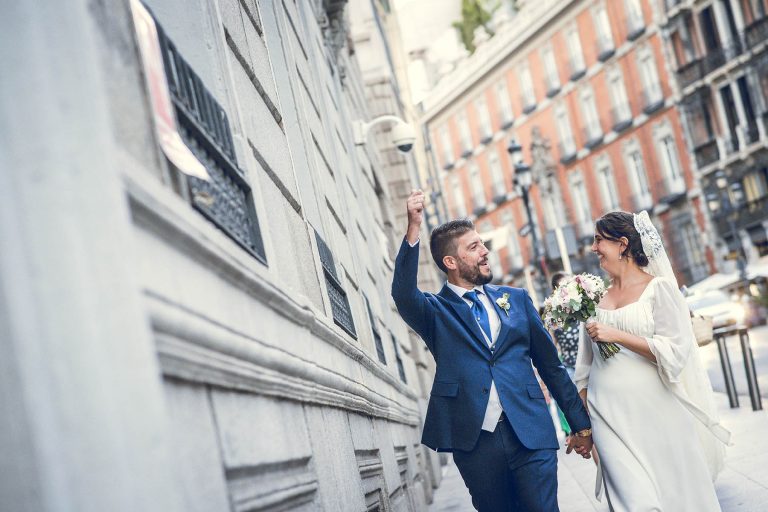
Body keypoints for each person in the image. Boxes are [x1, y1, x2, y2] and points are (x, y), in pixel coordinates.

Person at [392, 190, 592, 512]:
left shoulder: (516, 299)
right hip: (476, 443)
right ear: (451, 262)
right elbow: (402, 294)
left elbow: (550, 366)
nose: (486, 252)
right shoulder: (435, 312)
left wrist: (580, 425)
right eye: (474, 247)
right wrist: (413, 229)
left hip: (530, 430)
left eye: (482, 243)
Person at [574, 211, 730, 511]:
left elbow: (675, 351)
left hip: (657, 413)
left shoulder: (660, 289)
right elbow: (583, 369)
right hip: (607, 416)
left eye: (598, 241)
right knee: (635, 502)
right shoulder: (593, 300)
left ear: (622, 244)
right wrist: (580, 428)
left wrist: (617, 334)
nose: (594, 248)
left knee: (678, 497)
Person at [548, 271, 580, 381]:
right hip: (571, 370)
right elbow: (550, 349)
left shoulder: (584, 308)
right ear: (556, 292)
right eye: (565, 286)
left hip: (594, 365)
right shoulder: (554, 318)